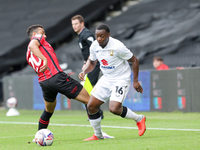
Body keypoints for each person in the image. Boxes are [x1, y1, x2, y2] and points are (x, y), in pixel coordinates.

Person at [26, 24, 111, 141]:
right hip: (57, 77)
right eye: (42, 32)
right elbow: (32, 45)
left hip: (44, 82)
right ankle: (99, 133)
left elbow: (32, 49)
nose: (44, 35)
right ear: (35, 34)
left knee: (48, 110)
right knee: (90, 101)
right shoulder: (37, 40)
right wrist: (45, 59)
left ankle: (39, 136)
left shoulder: (28, 54)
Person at [79, 24, 146, 141]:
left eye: (102, 36)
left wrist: (135, 80)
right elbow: (92, 63)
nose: (99, 38)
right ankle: (98, 135)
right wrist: (84, 71)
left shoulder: (117, 46)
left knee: (114, 109)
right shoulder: (94, 46)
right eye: (97, 36)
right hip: (106, 78)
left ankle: (139, 119)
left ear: (108, 35)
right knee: (91, 106)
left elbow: (135, 60)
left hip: (121, 78)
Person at [71, 15, 103, 119]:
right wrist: (85, 62)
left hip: (94, 65)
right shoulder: (81, 35)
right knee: (87, 90)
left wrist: (88, 62)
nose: (74, 26)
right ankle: (96, 112)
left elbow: (95, 47)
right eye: (73, 24)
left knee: (85, 90)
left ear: (82, 24)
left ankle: (94, 113)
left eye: (76, 24)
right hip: (90, 65)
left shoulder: (86, 34)